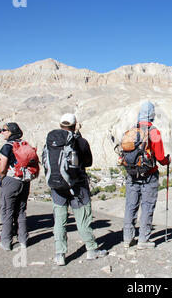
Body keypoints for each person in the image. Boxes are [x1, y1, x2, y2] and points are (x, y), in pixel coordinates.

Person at [48, 114, 108, 266]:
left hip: (57, 186)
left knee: (60, 220)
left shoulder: (52, 142)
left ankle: (60, 254)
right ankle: (91, 249)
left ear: (60, 125)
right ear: (75, 126)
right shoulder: (80, 142)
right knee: (83, 219)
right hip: (78, 186)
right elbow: (88, 162)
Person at [123, 101, 171, 250]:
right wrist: (167, 160)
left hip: (132, 174)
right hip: (149, 175)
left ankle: (127, 238)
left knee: (131, 205)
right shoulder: (154, 132)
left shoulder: (132, 129)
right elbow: (160, 156)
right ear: (152, 114)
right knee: (147, 206)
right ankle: (143, 240)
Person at [0, 123, 31, 251]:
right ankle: (23, 240)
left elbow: (2, 167)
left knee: (7, 211)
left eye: (4, 130)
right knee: (21, 210)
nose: (2, 132)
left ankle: (6, 241)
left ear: (11, 132)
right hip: (25, 181)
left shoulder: (7, 147)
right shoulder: (25, 144)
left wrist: (1, 177)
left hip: (11, 180)